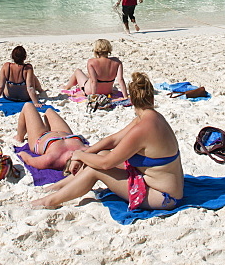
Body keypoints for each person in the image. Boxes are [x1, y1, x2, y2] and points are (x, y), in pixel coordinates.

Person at [30, 72, 184, 210]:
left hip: (164, 197)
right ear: (151, 97)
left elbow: (106, 164)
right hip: (157, 183)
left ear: (131, 99)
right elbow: (113, 140)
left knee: (96, 169)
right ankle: (61, 185)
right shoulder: (151, 117)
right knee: (101, 153)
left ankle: (50, 201)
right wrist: (83, 153)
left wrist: (80, 155)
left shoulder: (142, 128)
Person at [13, 104, 89, 171]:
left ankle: (19, 137)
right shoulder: (86, 151)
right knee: (49, 111)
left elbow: (30, 160)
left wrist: (22, 154)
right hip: (65, 134)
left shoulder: (52, 159)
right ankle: (46, 127)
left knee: (28, 106)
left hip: (41, 137)